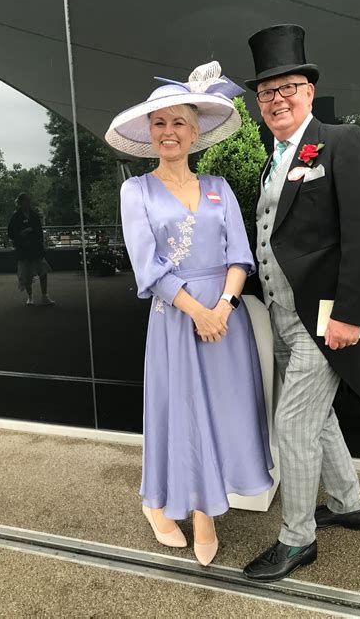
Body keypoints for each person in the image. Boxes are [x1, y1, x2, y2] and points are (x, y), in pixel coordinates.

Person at [105, 61, 273, 567]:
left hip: (226, 319)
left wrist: (222, 308)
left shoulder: (220, 187)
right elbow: (148, 266)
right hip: (176, 318)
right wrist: (198, 311)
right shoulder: (135, 191)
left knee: (222, 414)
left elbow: (240, 257)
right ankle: (171, 506)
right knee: (180, 415)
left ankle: (196, 509)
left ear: (195, 131)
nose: (169, 131)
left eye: (178, 122)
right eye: (159, 123)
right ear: (149, 133)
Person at [242, 24, 360, 582]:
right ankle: (349, 504)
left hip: (323, 319)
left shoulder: (340, 141)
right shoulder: (272, 157)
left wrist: (351, 314)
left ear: (308, 89)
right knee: (317, 416)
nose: (277, 100)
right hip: (282, 315)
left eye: (287, 88)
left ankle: (297, 540)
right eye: (266, 93)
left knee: (293, 427)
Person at [7, 192, 55, 305]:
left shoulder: (34, 215)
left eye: (29, 201)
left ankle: (44, 296)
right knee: (26, 275)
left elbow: (39, 231)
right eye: (25, 201)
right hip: (23, 250)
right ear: (20, 203)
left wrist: (41, 244)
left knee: (43, 272)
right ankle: (30, 296)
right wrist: (21, 234)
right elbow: (10, 233)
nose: (28, 203)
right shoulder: (16, 216)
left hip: (36, 249)